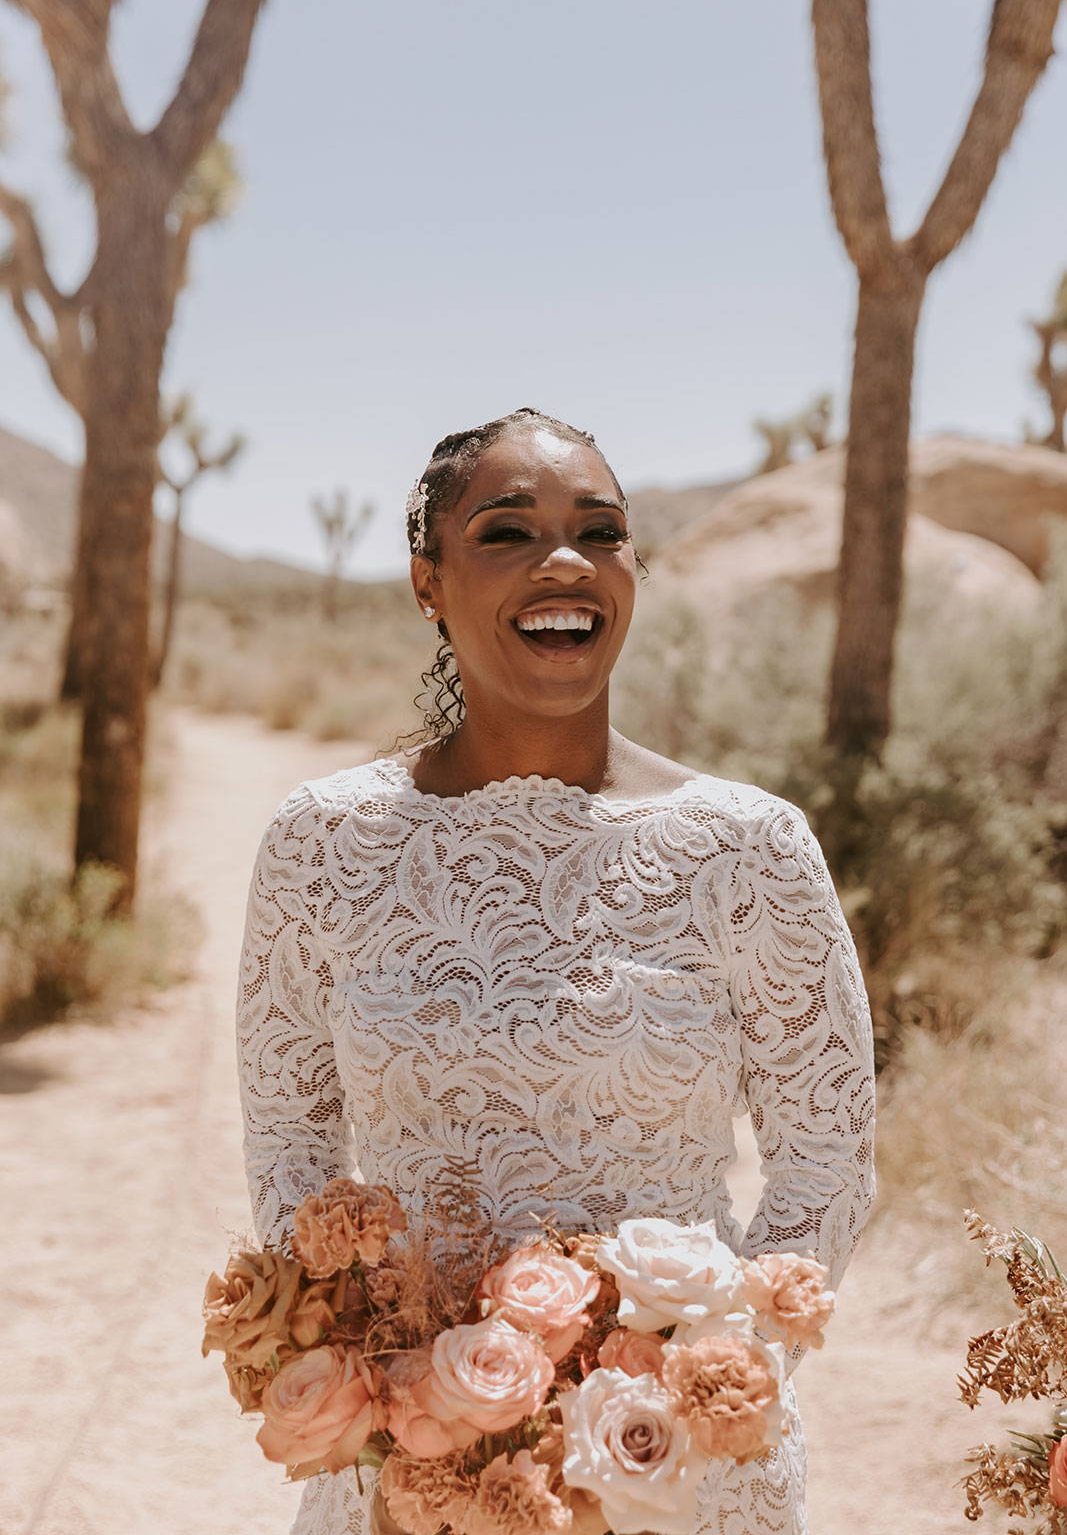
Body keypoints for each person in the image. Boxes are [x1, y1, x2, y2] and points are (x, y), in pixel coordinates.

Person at [235, 406, 877, 1535]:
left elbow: (823, 1157)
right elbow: (292, 1147)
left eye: (600, 529)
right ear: (426, 582)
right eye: (506, 533)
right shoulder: (322, 843)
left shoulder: (748, 847)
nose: (565, 560)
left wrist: (692, 1382)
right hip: (410, 1467)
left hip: (675, 1471)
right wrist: (393, 1396)